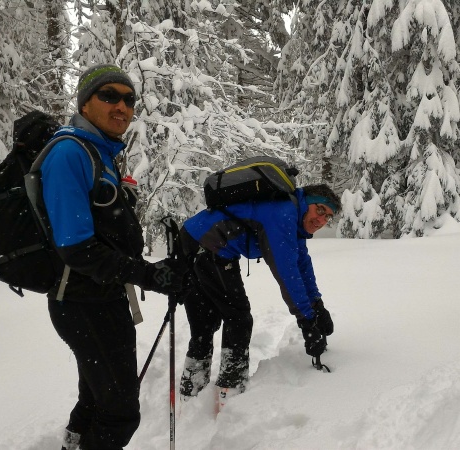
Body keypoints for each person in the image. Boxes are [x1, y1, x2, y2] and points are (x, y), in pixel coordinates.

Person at [40, 64, 185, 450]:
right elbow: (76, 247)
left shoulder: (98, 152)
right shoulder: (71, 152)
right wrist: (148, 275)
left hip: (100, 298)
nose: (122, 105)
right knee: (120, 412)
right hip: (84, 302)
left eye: (129, 98)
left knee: (95, 395)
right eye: (109, 96)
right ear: (85, 104)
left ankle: (72, 444)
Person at [178, 184, 340, 401]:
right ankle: (230, 392)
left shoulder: (293, 218)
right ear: (307, 202)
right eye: (320, 210)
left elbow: (302, 264)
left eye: (328, 217)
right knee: (238, 318)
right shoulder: (283, 215)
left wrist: (317, 305)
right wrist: (307, 322)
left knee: (205, 322)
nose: (322, 220)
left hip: (194, 239)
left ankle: (191, 390)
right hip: (208, 246)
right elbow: (287, 274)